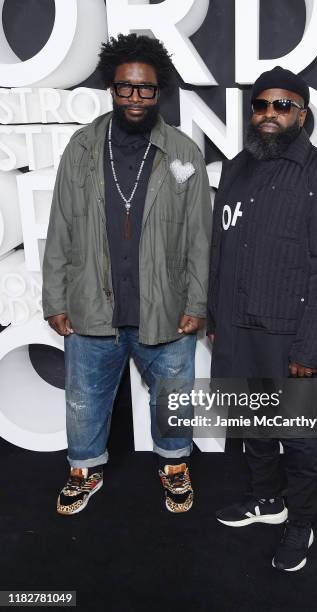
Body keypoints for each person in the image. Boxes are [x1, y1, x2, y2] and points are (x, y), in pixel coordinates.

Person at [42, 33, 212, 516]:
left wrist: (197, 304)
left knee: (174, 398)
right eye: (126, 88)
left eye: (146, 89)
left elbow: (200, 237)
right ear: (111, 88)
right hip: (94, 304)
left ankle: (175, 466)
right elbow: (60, 228)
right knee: (84, 400)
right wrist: (55, 299)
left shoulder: (183, 153)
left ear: (159, 92)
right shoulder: (82, 148)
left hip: (166, 306)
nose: (135, 98)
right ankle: (85, 469)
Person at [207, 66, 317, 570]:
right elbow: (220, 249)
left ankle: (301, 522)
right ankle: (267, 502)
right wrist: (216, 318)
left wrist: (309, 348)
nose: (269, 113)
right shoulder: (236, 168)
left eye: (282, 105)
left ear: (303, 114)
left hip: (292, 338)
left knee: (298, 437)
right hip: (237, 330)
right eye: (261, 105)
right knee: (251, 424)